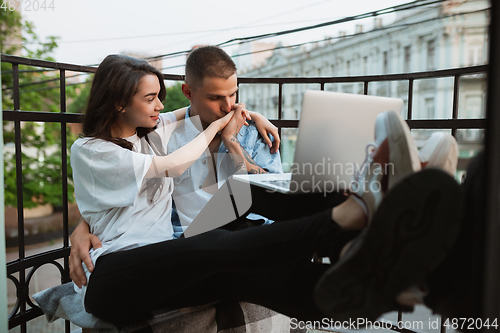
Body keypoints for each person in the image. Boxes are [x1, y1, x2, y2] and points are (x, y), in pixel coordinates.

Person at [67, 52, 462, 327]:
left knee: (250, 267)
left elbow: (193, 112)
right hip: (114, 280)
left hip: (168, 264)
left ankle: (396, 281)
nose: (158, 106)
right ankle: (354, 210)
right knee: (217, 245)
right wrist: (81, 227)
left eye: (158, 98)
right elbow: (172, 165)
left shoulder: (149, 131)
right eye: (149, 98)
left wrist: (247, 114)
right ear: (119, 102)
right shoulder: (91, 149)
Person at [70, 46, 285, 287]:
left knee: (253, 211)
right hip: (182, 245)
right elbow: (145, 176)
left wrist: (238, 134)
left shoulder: (254, 134)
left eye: (233, 95)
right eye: (215, 98)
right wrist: (83, 224)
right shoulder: (160, 137)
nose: (228, 107)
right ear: (188, 92)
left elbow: (276, 197)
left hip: (244, 233)